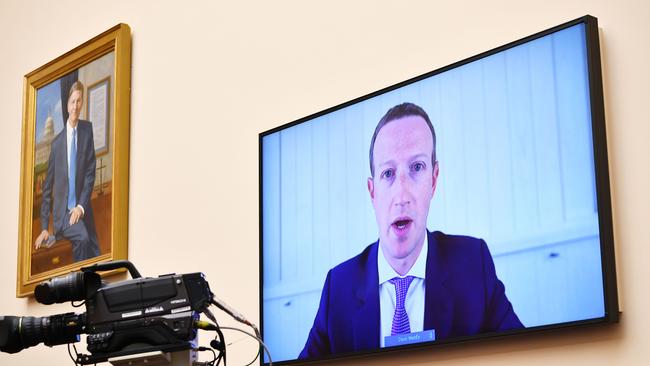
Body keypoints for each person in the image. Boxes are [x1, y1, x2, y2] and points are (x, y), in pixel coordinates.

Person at [299, 102, 523, 359]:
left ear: (434, 180)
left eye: (416, 168)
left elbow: (522, 355)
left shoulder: (474, 264)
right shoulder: (338, 288)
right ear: (373, 192)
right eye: (388, 173)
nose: (401, 195)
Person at [34, 81, 100, 262]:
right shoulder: (56, 144)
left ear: (82, 103)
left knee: (96, 249)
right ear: (67, 104)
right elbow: (47, 189)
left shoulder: (87, 130)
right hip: (63, 215)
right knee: (84, 238)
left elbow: (90, 173)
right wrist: (44, 228)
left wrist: (80, 207)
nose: (75, 107)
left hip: (81, 209)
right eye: (72, 102)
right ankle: (79, 280)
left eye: (79, 101)